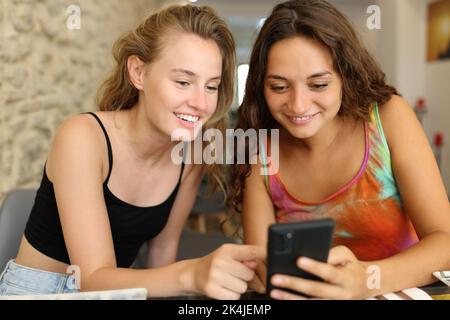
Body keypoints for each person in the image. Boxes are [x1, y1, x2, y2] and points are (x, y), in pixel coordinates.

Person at [0, 4, 265, 300]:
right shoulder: (83, 138)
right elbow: (91, 279)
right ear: (138, 72)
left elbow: (162, 254)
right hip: (39, 293)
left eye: (211, 86)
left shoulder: (191, 156)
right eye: (183, 82)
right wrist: (192, 274)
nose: (201, 104)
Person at [228, 0, 450, 300]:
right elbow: (267, 271)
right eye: (279, 87)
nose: (298, 105)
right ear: (260, 87)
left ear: (346, 75)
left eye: (318, 85)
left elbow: (445, 242)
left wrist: (368, 279)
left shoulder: (387, 118)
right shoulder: (261, 149)